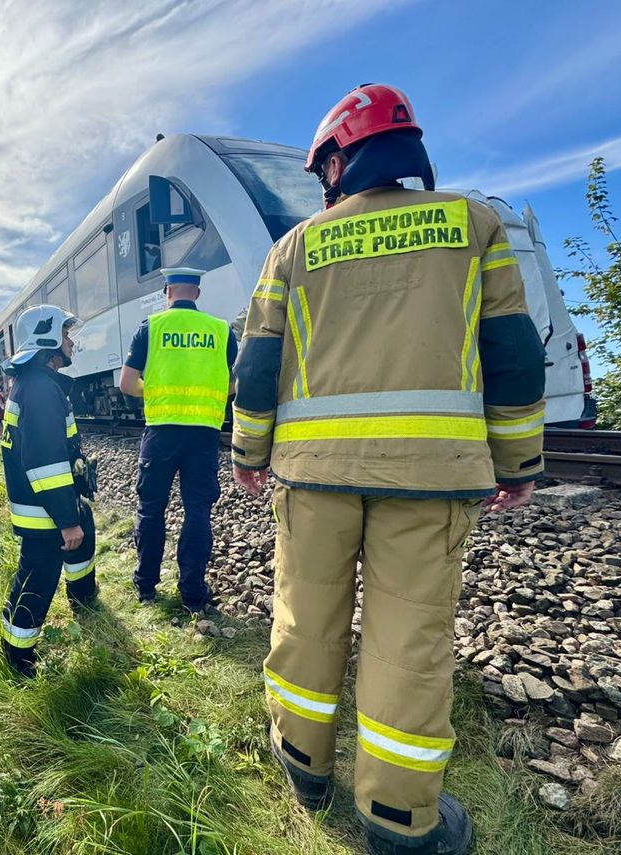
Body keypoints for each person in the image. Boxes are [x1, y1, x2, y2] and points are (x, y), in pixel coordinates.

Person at [230, 84, 546, 855]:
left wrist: (248, 455)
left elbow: (257, 366)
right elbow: (512, 354)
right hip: (430, 478)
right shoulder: (473, 224)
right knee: (408, 643)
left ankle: (302, 763)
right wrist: (517, 461)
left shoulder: (294, 248)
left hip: (313, 477)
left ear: (340, 161)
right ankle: (398, 818)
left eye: (322, 169)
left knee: (305, 622)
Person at [118, 267, 238, 612]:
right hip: (204, 433)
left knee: (151, 508)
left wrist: (158, 392)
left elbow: (127, 384)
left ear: (167, 292)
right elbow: (234, 383)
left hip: (161, 431)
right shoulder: (220, 330)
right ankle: (193, 594)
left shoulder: (151, 327)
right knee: (197, 510)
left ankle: (146, 586)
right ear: (197, 294)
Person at [0, 305, 98, 677]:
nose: (71, 341)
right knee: (37, 580)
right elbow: (45, 465)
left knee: (82, 537)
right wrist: (67, 521)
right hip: (45, 511)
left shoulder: (35, 383)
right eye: (66, 334)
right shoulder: (41, 389)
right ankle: (17, 657)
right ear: (49, 339)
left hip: (47, 504)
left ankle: (84, 598)